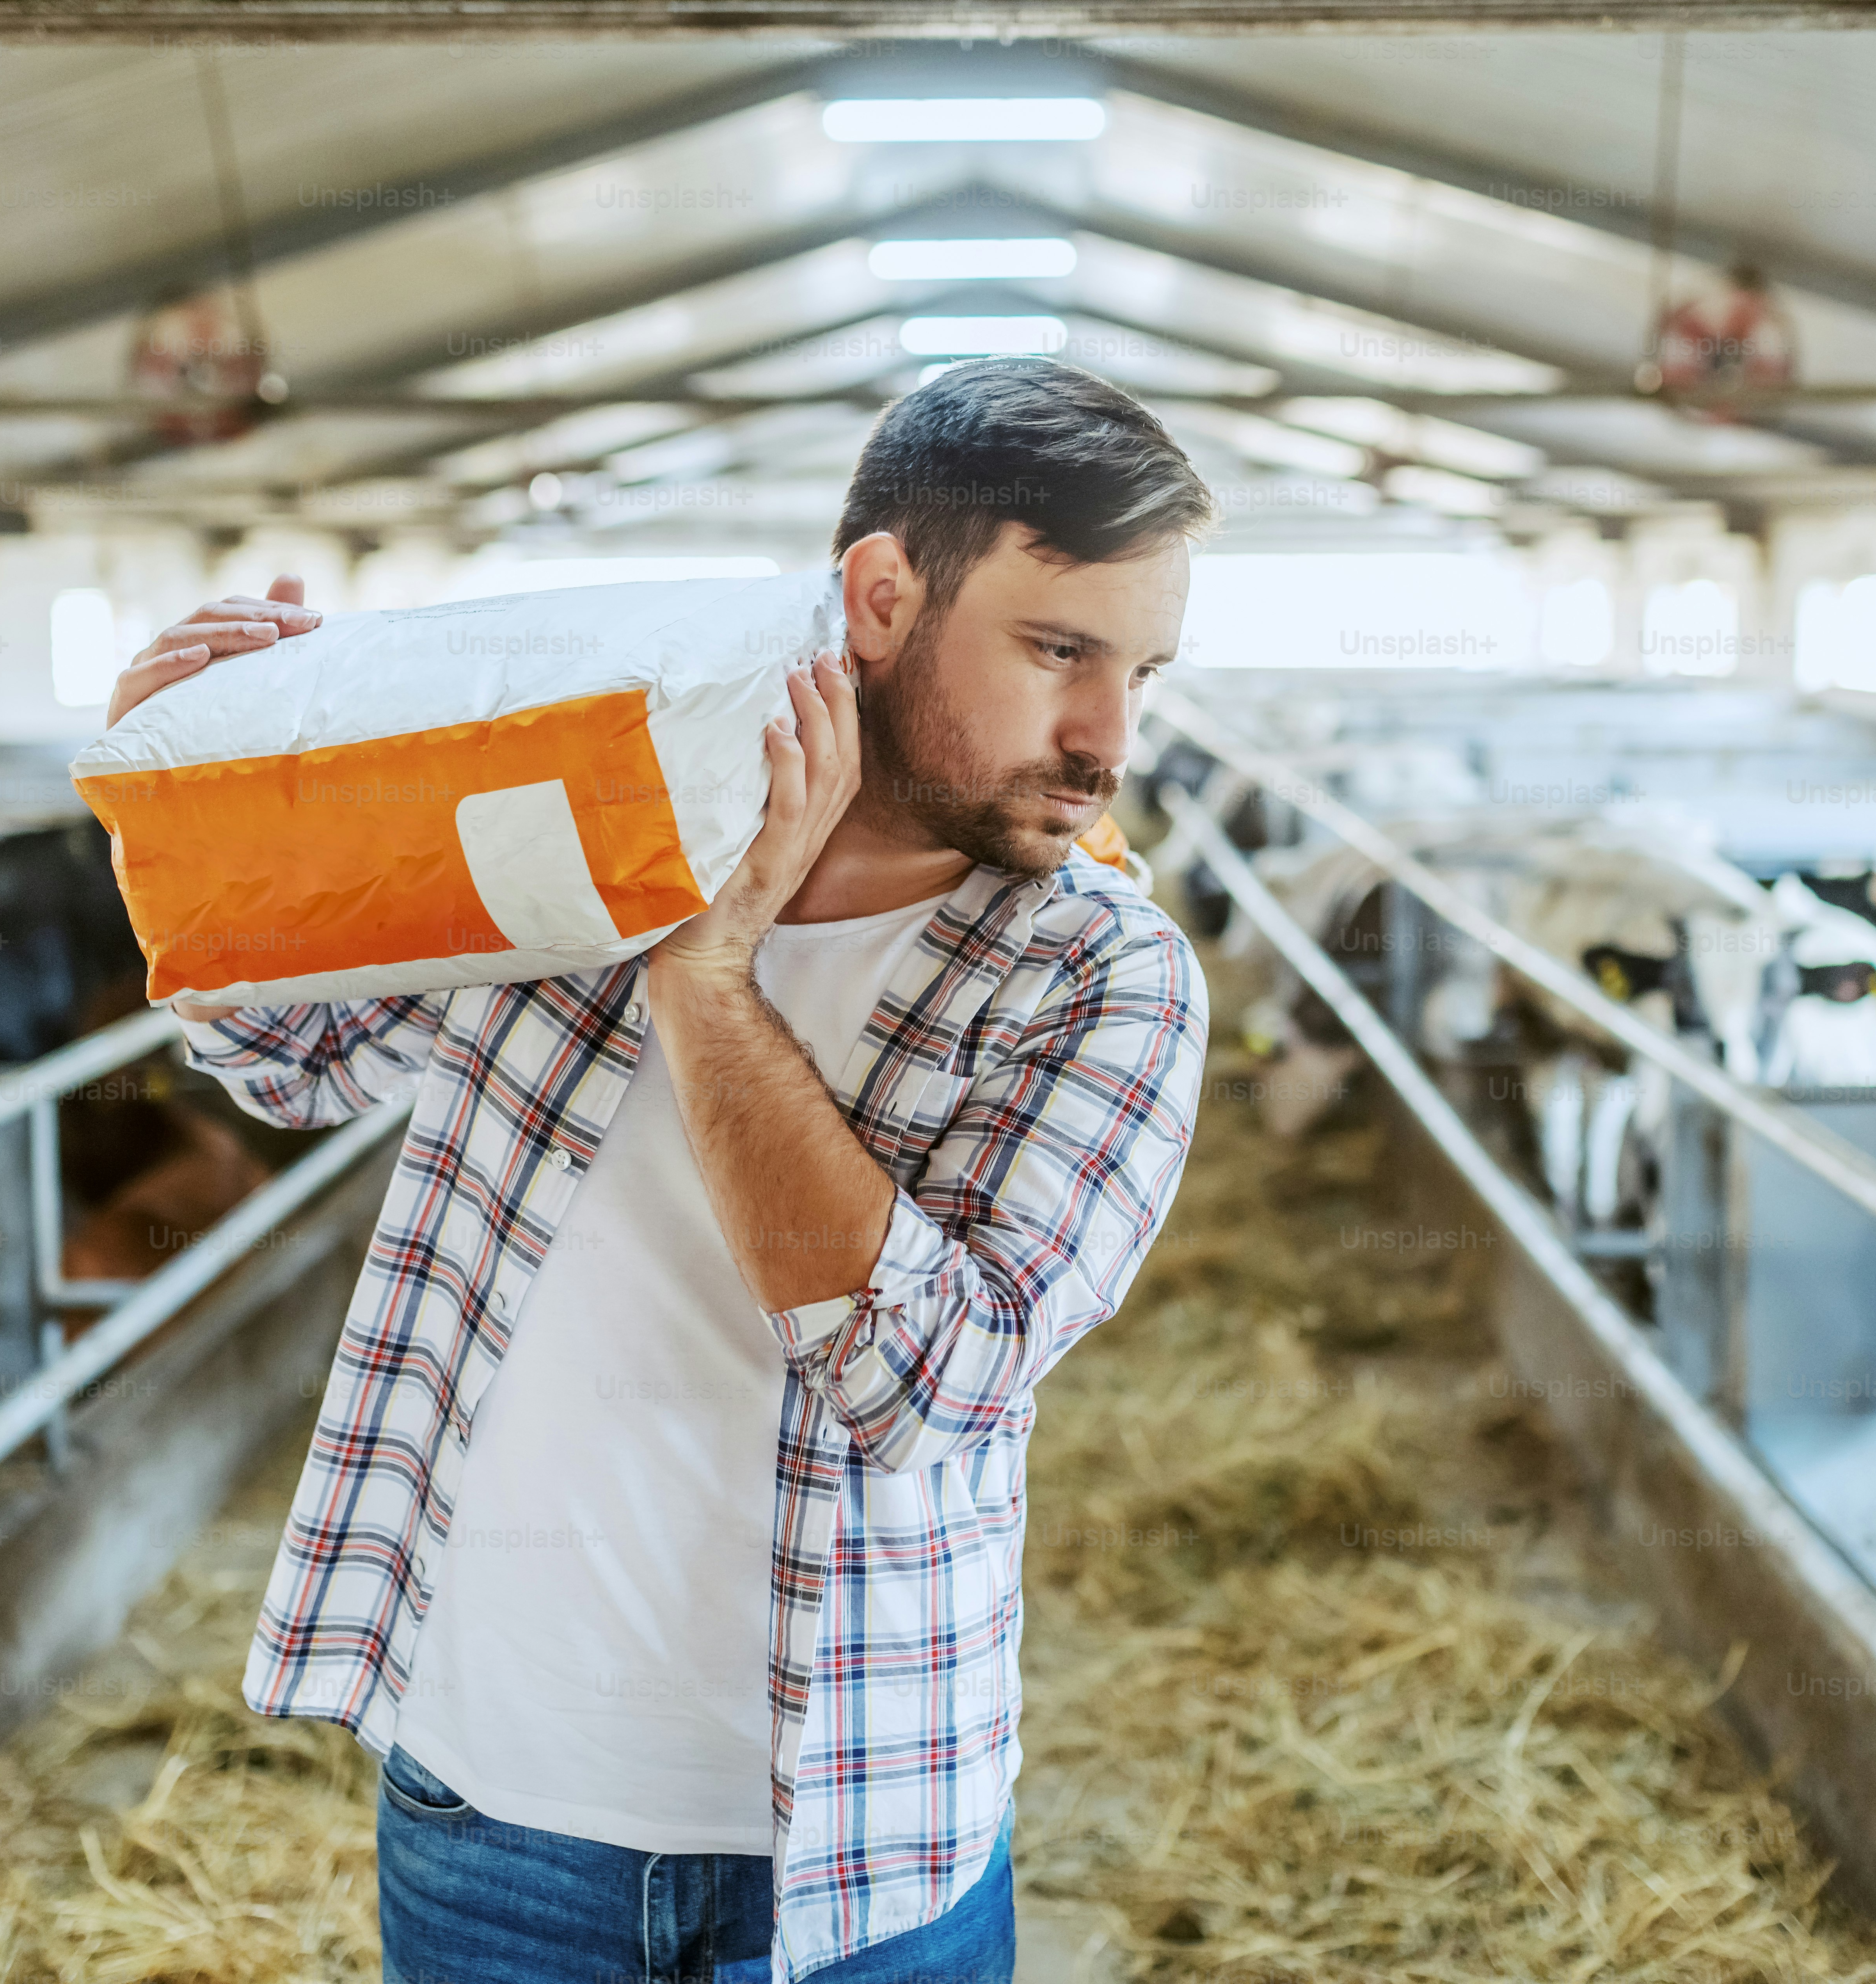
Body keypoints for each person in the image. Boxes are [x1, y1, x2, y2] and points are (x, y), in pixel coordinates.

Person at [104, 356, 1215, 1984]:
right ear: (881, 595)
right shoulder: (581, 838)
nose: (1107, 735)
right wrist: (192, 798)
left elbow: (919, 1380)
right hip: (495, 1813)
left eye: (1141, 669)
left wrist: (706, 984)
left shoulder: (1101, 977)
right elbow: (295, 1060)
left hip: (858, 1854)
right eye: (1058, 651)